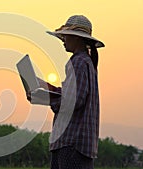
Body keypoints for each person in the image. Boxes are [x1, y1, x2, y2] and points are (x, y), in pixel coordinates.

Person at [26, 15, 105, 169]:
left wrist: (43, 98)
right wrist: (46, 87)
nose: (63, 39)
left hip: (72, 142)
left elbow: (74, 100)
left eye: (66, 36)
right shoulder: (84, 62)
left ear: (77, 38)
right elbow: (73, 95)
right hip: (74, 143)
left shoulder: (79, 62)